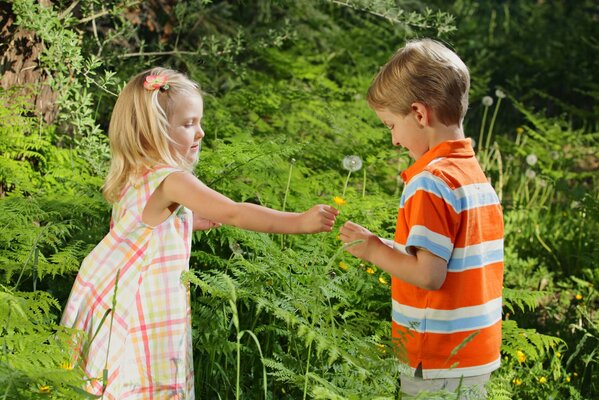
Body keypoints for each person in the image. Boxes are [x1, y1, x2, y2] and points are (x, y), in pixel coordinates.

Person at [60, 67, 339, 399]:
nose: (200, 133)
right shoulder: (171, 179)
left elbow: (141, 228)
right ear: (153, 131)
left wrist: (187, 219)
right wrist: (299, 222)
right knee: (146, 381)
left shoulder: (136, 173)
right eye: (189, 124)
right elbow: (234, 211)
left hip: (115, 298)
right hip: (143, 310)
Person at [339, 39, 504, 399]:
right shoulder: (473, 174)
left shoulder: (430, 181)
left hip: (438, 358)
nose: (394, 140)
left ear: (418, 113)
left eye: (390, 126)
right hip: (477, 350)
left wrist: (370, 249)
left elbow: (429, 274)